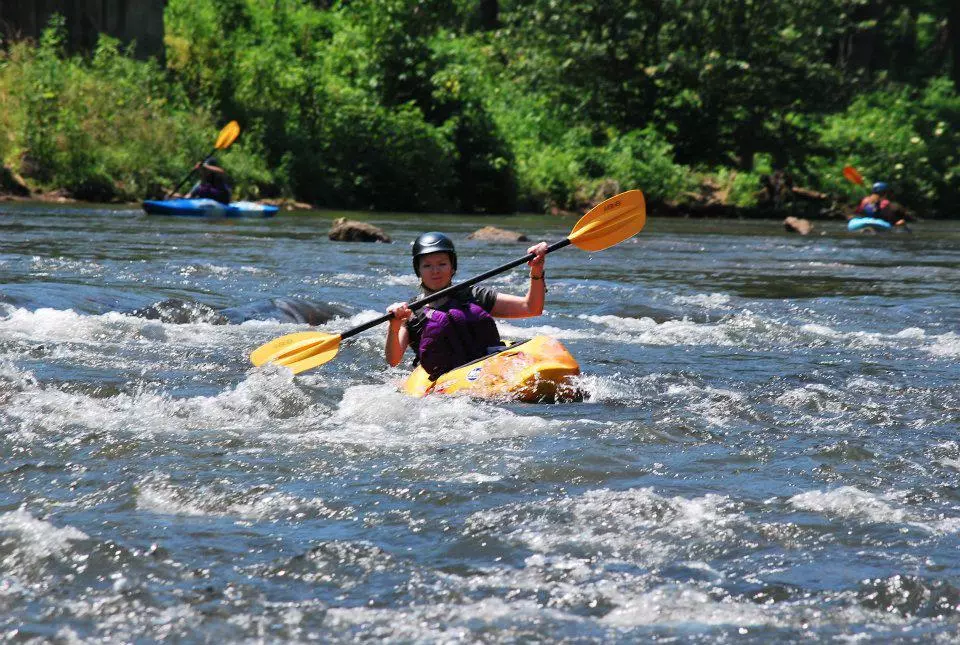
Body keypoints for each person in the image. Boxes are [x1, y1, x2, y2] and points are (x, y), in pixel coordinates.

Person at [385, 232, 549, 380]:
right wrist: (394, 325)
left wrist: (536, 270)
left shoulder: (474, 296)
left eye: (442, 264)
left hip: (490, 366)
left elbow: (531, 308)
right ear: (418, 270)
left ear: (452, 267)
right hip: (444, 381)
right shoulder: (411, 313)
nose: (435, 271)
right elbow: (393, 360)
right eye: (427, 265)